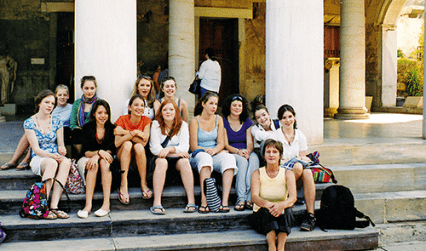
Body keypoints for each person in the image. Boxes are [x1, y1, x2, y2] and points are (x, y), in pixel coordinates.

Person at [267, 104, 317, 231]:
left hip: (295, 175)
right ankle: (286, 198)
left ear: (294, 117)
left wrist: (299, 160)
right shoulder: (275, 136)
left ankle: (310, 215)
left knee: (307, 172)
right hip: (279, 175)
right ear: (280, 121)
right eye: (284, 118)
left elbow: (303, 156)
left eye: (290, 116)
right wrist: (292, 161)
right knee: (299, 166)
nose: (288, 120)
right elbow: (273, 160)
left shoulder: (300, 135)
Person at [24, 89, 71, 219]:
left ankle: (54, 206)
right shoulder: (29, 122)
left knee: (66, 161)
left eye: (52, 103)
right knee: (51, 163)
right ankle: (42, 206)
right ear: (39, 103)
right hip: (40, 158)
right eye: (46, 102)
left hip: (54, 155)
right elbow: (36, 149)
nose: (50, 105)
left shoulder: (57, 120)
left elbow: (60, 143)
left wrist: (62, 150)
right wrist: (51, 156)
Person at [1, 85, 72, 170]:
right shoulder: (53, 109)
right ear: (56, 96)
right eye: (59, 95)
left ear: (68, 96)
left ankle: (26, 158)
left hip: (64, 133)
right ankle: (16, 160)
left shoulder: (71, 107)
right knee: (31, 132)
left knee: (34, 133)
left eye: (64, 95)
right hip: (49, 132)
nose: (62, 97)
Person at [189, 91, 237, 213]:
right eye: (211, 103)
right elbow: (194, 146)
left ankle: (224, 202)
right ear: (204, 104)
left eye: (216, 104)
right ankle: (204, 202)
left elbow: (221, 143)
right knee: (205, 159)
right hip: (198, 154)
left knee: (229, 159)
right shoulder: (195, 121)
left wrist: (215, 150)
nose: (214, 107)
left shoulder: (218, 119)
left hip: (214, 152)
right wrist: (207, 151)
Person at [149, 100, 196, 214]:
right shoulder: (155, 124)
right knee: (162, 162)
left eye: (171, 109)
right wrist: (173, 152)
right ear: (160, 112)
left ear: (176, 112)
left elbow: (185, 146)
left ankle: (191, 200)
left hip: (176, 161)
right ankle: (157, 202)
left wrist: (170, 149)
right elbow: (154, 148)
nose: (168, 112)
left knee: (185, 162)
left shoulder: (183, 125)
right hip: (159, 161)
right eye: (164, 110)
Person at [250, 139, 296, 251]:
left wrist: (282, 205)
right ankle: (271, 246)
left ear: (280, 155)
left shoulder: (287, 173)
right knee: (266, 212)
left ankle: (281, 247)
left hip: (281, 212)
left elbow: (293, 197)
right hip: (262, 214)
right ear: (264, 155)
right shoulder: (257, 173)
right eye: (268, 152)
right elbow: (254, 197)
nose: (271, 155)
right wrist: (268, 204)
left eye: (275, 152)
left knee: (287, 210)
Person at [77, 100, 116, 218]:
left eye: (106, 113)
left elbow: (110, 151)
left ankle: (106, 204)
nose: (103, 116)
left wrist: (98, 156)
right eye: (100, 112)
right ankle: (88, 206)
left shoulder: (111, 128)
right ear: (94, 113)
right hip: (87, 157)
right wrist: (97, 153)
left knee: (104, 163)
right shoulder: (87, 128)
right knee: (92, 164)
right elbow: (85, 151)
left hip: (104, 159)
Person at [222, 94, 259, 211]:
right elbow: (225, 144)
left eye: (239, 106)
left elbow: (250, 142)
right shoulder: (223, 121)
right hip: (232, 152)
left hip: (245, 151)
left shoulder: (246, 121)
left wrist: (247, 152)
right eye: (234, 105)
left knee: (254, 160)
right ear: (229, 106)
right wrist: (239, 152)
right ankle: (241, 198)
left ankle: (250, 197)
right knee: (242, 162)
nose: (237, 108)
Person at [115, 94, 152, 204]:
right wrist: (135, 133)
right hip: (122, 156)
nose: (139, 108)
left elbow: (143, 142)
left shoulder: (146, 121)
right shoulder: (122, 119)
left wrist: (125, 133)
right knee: (127, 144)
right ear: (129, 107)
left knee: (139, 146)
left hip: (137, 159)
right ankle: (123, 183)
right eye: (136, 105)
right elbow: (117, 143)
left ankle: (143, 183)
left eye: (142, 105)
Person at [70, 76, 99, 157]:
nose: (89, 91)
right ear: (82, 88)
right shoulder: (77, 103)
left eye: (92, 88)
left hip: (94, 134)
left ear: (95, 88)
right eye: (86, 88)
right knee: (76, 133)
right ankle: (81, 156)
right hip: (80, 135)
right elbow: (72, 123)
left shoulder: (99, 103)